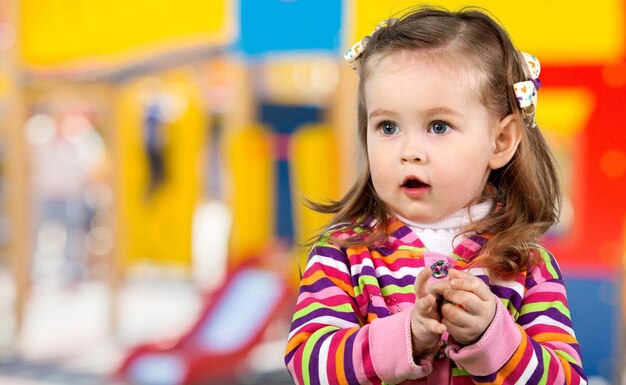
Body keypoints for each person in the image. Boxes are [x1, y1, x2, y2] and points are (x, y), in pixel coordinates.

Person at [284, 6, 586, 385]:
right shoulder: (344, 252)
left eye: (438, 126)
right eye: (388, 126)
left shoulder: (527, 265)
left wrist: (492, 335)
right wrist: (408, 334)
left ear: (501, 140)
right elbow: (309, 365)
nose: (409, 150)